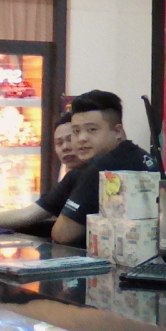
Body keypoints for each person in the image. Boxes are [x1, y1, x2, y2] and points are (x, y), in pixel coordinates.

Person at [51, 90, 159, 247]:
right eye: (76, 132)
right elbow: (40, 208)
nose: (82, 138)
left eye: (92, 130)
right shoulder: (135, 154)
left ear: (118, 132)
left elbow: (63, 234)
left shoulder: (105, 166)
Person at [0, 113, 87, 234]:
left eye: (70, 139)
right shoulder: (72, 177)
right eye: (59, 143)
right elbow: (29, 213)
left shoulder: (95, 174)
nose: (65, 147)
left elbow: (65, 234)